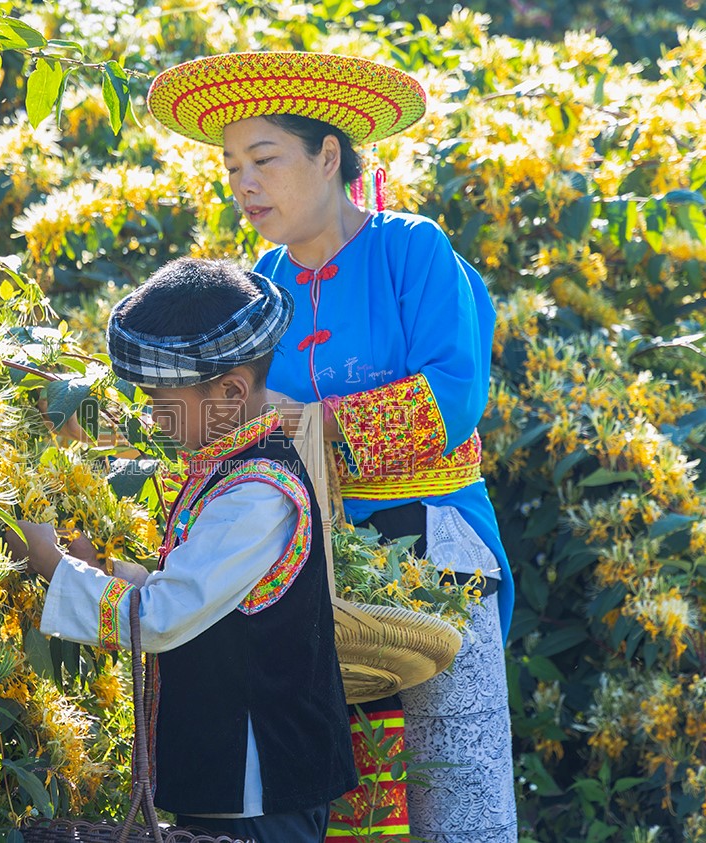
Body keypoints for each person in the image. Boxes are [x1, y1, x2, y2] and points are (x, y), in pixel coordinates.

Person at [147, 52, 518, 842]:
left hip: (437, 544)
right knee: (346, 802)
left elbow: (451, 397)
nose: (243, 183)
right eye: (232, 166)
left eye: (264, 159)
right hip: (312, 569)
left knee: (459, 796)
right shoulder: (261, 284)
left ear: (328, 156)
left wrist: (299, 415)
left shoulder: (411, 247)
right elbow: (231, 427)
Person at [7, 257, 358, 843]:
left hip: (258, 783)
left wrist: (51, 564)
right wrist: (105, 568)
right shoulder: (229, 467)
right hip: (231, 779)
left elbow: (163, 620)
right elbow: (194, 590)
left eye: (159, 399)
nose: (149, 415)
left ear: (230, 392)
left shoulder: (257, 494)